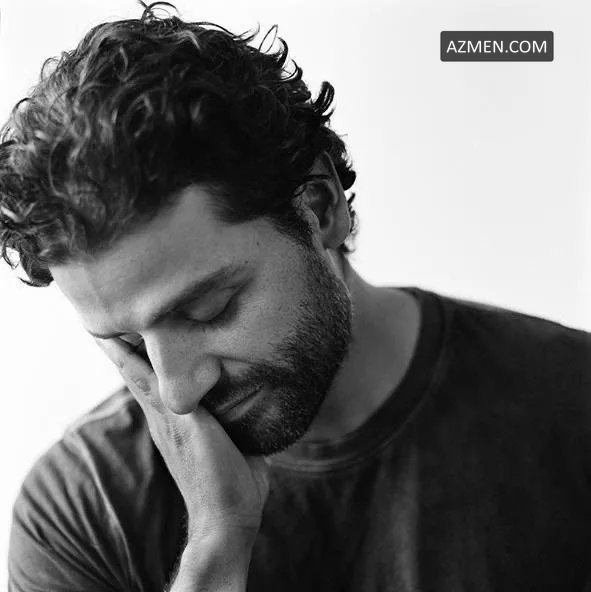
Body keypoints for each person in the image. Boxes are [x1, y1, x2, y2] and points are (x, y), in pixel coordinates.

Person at [2, 4, 591, 591]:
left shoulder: (573, 401)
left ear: (319, 208)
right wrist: (216, 543)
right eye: (130, 343)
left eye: (208, 309)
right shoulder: (78, 514)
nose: (177, 393)